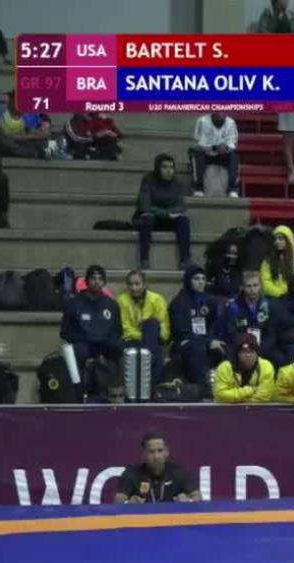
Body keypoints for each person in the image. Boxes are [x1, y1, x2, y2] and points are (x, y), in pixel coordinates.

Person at [60, 265, 123, 399]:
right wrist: (86, 338)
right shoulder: (73, 303)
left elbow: (117, 331)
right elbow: (65, 332)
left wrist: (105, 340)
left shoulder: (112, 305)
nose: (96, 282)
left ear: (104, 282)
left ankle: (117, 393)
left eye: (100, 279)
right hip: (83, 344)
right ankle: (77, 394)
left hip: (105, 343)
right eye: (93, 278)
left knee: (121, 348)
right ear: (87, 281)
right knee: (78, 351)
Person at [168, 265, 225, 391]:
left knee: (228, 346)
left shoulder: (210, 301)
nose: (201, 282)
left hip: (207, 340)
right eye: (196, 279)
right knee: (197, 348)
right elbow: (181, 331)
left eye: (203, 279)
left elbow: (214, 325)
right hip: (185, 342)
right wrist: (208, 342)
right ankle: (201, 389)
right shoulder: (179, 302)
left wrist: (211, 340)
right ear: (188, 280)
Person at [134, 153, 191, 269]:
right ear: (157, 168)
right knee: (148, 217)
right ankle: (144, 259)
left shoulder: (178, 183)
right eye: (164, 167)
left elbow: (181, 206)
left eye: (171, 167)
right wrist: (166, 213)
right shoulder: (148, 180)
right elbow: (144, 206)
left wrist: (171, 213)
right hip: (151, 219)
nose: (169, 171)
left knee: (184, 220)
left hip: (169, 219)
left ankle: (185, 260)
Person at [117, 269, 171, 384]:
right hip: (132, 340)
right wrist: (144, 337)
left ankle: (153, 384)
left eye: (137, 284)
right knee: (155, 351)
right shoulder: (122, 300)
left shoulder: (157, 299)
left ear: (145, 284)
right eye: (130, 284)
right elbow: (125, 328)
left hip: (155, 339)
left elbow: (164, 328)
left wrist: (151, 334)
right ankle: (154, 382)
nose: (134, 288)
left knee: (151, 323)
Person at [220, 271, 284, 367]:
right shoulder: (233, 307)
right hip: (241, 346)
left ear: (260, 286)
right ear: (242, 287)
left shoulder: (268, 305)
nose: (252, 289)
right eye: (248, 286)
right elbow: (231, 332)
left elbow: (272, 332)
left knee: (280, 359)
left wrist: (261, 349)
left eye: (255, 285)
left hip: (263, 346)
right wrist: (247, 347)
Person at [118, 434, 197, 504]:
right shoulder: (131, 474)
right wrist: (127, 504)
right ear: (144, 454)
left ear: (167, 452)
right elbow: (118, 500)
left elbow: (197, 497)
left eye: (160, 451)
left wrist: (189, 501)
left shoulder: (179, 472)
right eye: (151, 452)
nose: (156, 456)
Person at [212, 334, 277, 403]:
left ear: (257, 353)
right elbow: (220, 395)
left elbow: (264, 396)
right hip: (228, 408)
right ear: (237, 354)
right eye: (244, 352)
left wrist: (236, 400)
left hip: (255, 408)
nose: (248, 355)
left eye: (252, 351)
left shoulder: (266, 367)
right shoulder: (225, 367)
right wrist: (249, 390)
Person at [0, 90, 54, 159]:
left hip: (22, 142)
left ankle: (37, 152)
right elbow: (7, 135)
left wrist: (40, 134)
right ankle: (34, 153)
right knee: (5, 142)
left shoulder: (25, 114)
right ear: (11, 101)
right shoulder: (0, 113)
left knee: (47, 141)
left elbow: (31, 130)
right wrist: (32, 136)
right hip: (6, 143)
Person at [189, 112, 239, 198]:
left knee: (234, 155)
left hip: (223, 155)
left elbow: (232, 143)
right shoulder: (203, 121)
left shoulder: (231, 123)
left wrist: (226, 148)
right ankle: (198, 188)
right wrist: (214, 148)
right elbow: (200, 143)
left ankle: (232, 189)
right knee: (196, 152)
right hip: (206, 154)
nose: (221, 112)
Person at [259, 225, 294, 300]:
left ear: (289, 240)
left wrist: (289, 295)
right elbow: (266, 285)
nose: (277, 242)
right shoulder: (267, 262)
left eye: (280, 238)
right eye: (275, 239)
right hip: (274, 299)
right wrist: (282, 294)